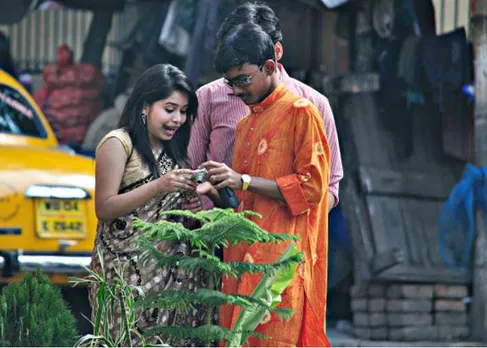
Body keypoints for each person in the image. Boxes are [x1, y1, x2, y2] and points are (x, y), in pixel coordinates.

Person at [197, 24, 331, 347]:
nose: (237, 90)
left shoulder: (302, 113)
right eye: (231, 83)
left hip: (280, 267)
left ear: (269, 67)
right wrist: (218, 191)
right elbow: (242, 206)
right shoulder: (245, 125)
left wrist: (242, 179)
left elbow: (312, 188)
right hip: (242, 262)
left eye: (243, 80)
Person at [90, 64, 206, 345]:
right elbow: (104, 207)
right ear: (144, 106)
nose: (177, 119)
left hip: (172, 278)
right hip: (125, 276)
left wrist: (193, 208)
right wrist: (159, 186)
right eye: (169, 109)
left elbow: (175, 214)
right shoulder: (118, 143)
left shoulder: (174, 150)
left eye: (183, 111)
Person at [189, 3, 342, 212]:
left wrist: (289, 225)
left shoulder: (313, 105)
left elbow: (329, 187)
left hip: (286, 241)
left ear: (275, 52)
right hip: (218, 235)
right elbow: (191, 172)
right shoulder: (208, 97)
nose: (236, 90)